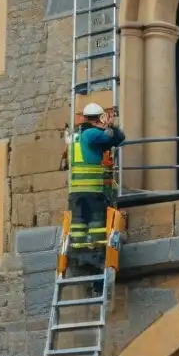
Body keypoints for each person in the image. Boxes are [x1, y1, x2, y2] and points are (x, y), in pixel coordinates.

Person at [68, 102, 126, 249]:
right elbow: (111, 138)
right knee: (96, 218)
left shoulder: (75, 137)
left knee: (78, 220)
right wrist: (110, 125)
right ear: (98, 118)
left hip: (75, 190)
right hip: (92, 188)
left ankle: (78, 245)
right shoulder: (91, 134)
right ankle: (97, 245)